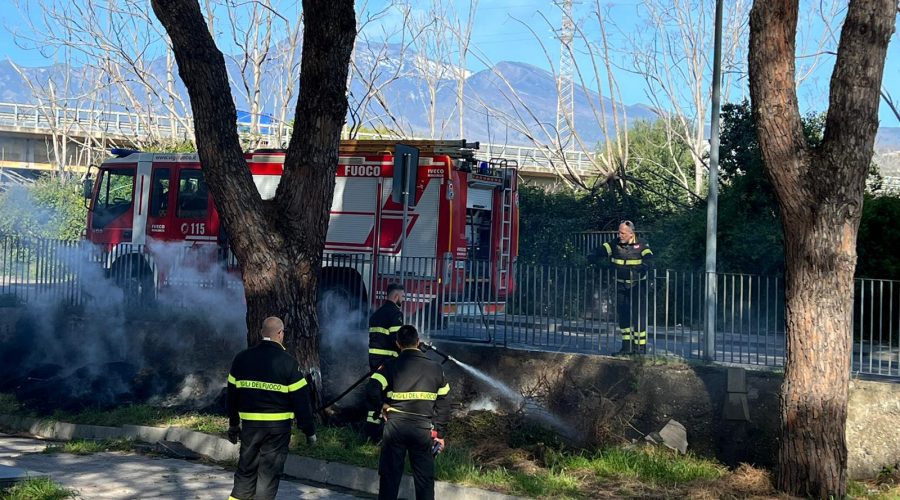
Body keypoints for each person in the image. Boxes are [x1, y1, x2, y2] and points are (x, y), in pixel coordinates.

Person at [226, 317, 317, 500]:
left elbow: (232, 397)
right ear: (280, 334)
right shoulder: (289, 363)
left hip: (250, 428)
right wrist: (309, 432)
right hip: (277, 431)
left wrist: (234, 425)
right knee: (267, 478)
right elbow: (301, 402)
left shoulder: (242, 359)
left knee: (245, 474)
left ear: (261, 333)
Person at [366, 325, 450, 500]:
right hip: (422, 429)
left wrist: (381, 405)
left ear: (398, 344)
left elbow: (372, 388)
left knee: (390, 477)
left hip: (395, 426)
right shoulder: (436, 368)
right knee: (424, 480)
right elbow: (444, 404)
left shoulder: (391, 365)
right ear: (418, 342)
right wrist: (440, 434)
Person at [594, 220, 654, 355]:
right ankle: (626, 348)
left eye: (623, 233)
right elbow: (601, 250)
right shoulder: (614, 244)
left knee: (638, 316)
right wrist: (593, 256)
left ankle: (640, 348)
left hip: (638, 285)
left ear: (631, 233)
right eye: (619, 232)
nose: (620, 235)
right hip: (620, 284)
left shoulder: (642, 244)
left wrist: (643, 266)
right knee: (623, 316)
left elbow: (649, 259)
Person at [365, 283, 405, 441]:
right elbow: (397, 339)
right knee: (389, 394)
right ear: (396, 296)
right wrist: (411, 348)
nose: (403, 299)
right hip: (388, 361)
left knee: (375, 392)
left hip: (374, 360)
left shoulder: (377, 314)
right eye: (402, 296)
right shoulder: (395, 313)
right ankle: (386, 433)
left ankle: (371, 433)